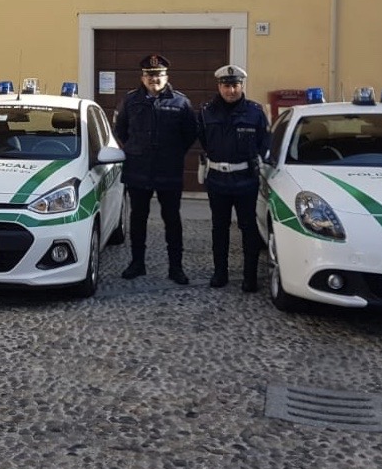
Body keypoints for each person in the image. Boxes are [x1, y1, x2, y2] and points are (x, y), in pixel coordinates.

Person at [114, 54, 198, 285]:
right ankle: (137, 263)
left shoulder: (181, 102)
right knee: (138, 219)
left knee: (172, 220)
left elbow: (190, 133)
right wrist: (137, 149)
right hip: (138, 170)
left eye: (159, 75)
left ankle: (176, 267)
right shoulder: (130, 101)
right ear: (143, 77)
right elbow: (121, 130)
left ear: (166, 77)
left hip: (168, 171)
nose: (154, 79)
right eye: (150, 76)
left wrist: (172, 152)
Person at [198, 64, 270, 292]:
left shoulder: (255, 112)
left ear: (241, 86)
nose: (231, 91)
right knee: (219, 228)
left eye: (235, 86)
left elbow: (264, 143)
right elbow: (203, 140)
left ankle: (250, 277)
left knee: (248, 229)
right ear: (219, 86)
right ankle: (220, 273)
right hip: (217, 180)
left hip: (245, 180)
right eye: (226, 86)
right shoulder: (206, 112)